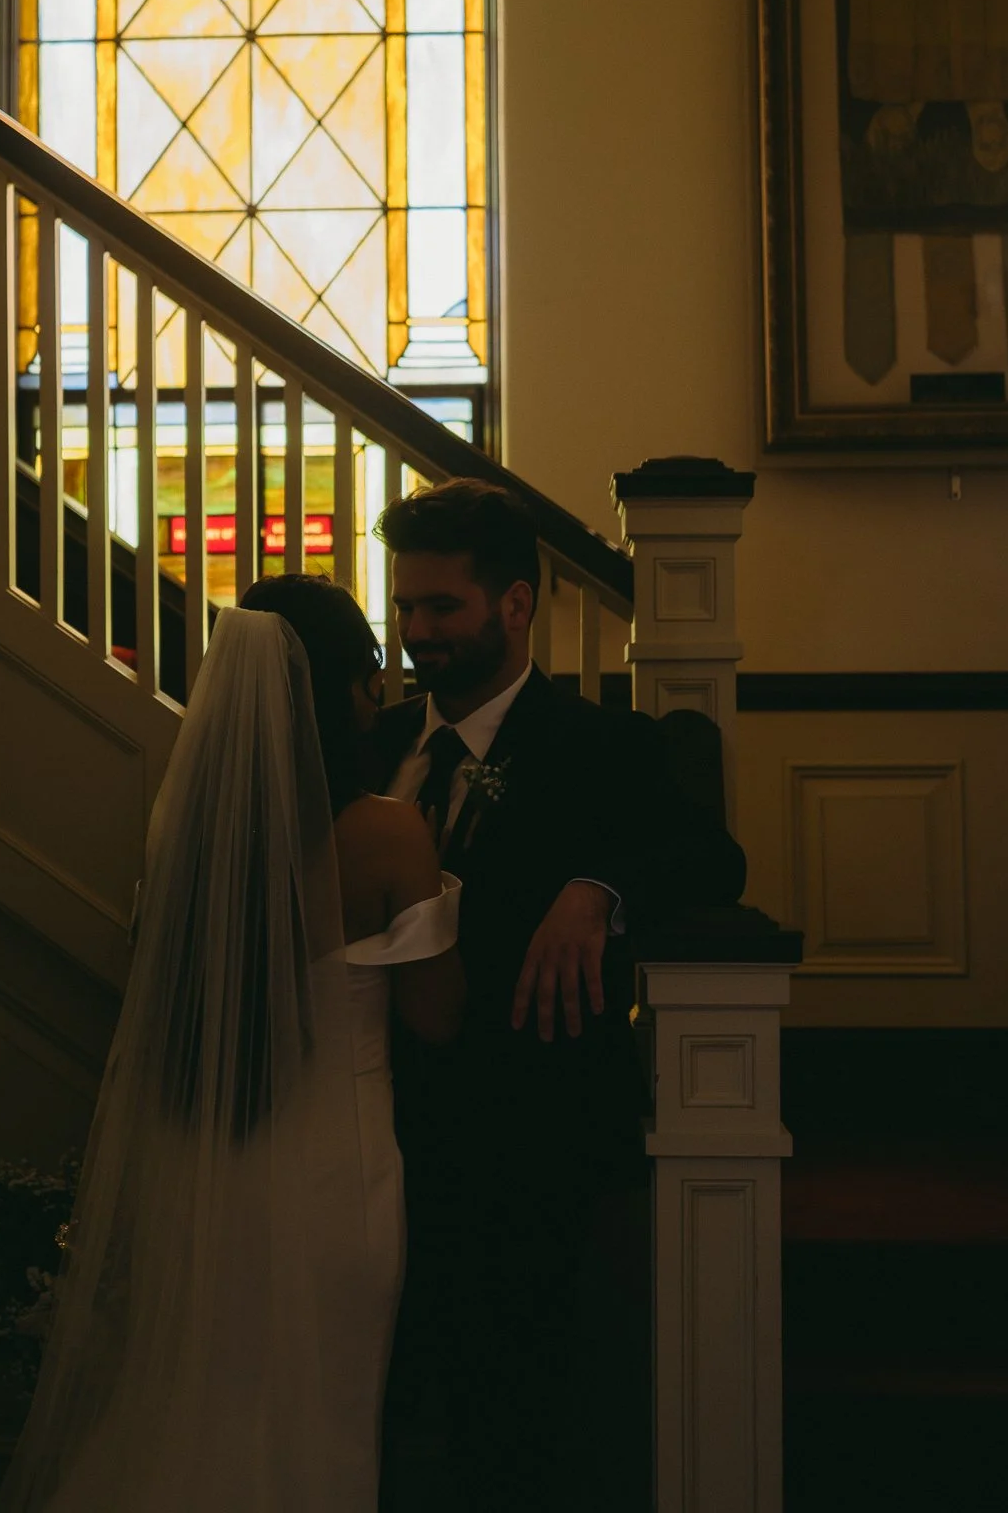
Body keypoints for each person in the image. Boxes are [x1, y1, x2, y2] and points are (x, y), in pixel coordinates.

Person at [0, 579, 464, 1513]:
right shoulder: (386, 833)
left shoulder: (187, 835)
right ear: (333, 689)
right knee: (322, 1415)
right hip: (338, 1172)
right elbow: (436, 1019)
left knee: (192, 1404)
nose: (382, 693)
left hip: (207, 1167)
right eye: (369, 673)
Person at [371, 478, 747, 1513]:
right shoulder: (371, 749)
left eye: (440, 607)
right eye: (404, 608)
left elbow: (713, 859)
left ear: (514, 607)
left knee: (509, 1421)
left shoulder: (601, 746)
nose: (416, 633)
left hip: (522, 1144)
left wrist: (595, 891)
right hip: (364, 1135)